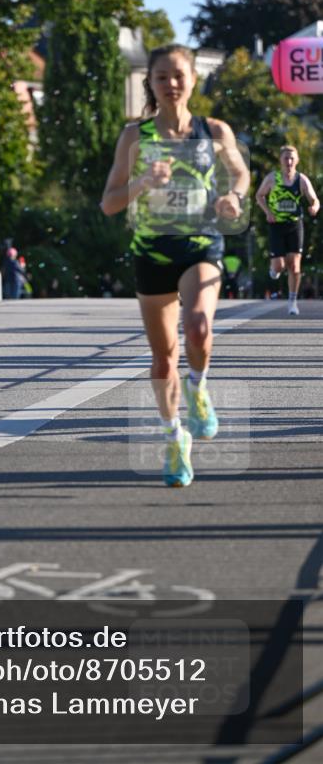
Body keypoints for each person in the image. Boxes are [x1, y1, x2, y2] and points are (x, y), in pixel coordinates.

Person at [101, 44, 249, 488]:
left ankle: (199, 389)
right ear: (151, 82)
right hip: (152, 253)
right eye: (161, 77)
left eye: (178, 76)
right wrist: (144, 181)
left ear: (192, 80)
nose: (171, 84)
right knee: (164, 358)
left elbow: (239, 173)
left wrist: (233, 197)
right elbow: (109, 203)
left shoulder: (214, 130)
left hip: (201, 243)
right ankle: (174, 437)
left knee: (198, 326)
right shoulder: (134, 137)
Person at [255, 145, 320, 316]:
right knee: (279, 266)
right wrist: (268, 211)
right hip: (276, 224)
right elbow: (259, 195)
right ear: (281, 160)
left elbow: (315, 199)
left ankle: (292, 301)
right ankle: (274, 269)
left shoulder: (301, 180)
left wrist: (314, 207)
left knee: (294, 265)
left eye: (292, 158)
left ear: (297, 160)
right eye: (286, 158)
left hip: (294, 224)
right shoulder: (272, 178)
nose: (289, 161)